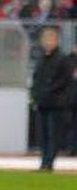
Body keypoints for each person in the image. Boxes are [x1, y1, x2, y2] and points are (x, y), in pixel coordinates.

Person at [30, 27, 71, 170]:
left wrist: (49, 91)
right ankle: (43, 161)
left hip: (56, 103)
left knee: (52, 133)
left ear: (56, 41)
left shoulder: (62, 59)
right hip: (42, 102)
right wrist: (35, 94)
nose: (47, 43)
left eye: (50, 39)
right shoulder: (41, 59)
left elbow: (64, 80)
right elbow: (36, 78)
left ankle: (49, 162)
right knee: (43, 134)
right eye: (45, 40)